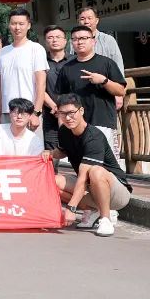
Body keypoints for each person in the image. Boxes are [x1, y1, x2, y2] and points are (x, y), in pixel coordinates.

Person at [45, 93, 132, 237]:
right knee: (52, 181)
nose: (68, 118)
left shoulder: (93, 136)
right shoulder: (64, 131)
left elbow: (83, 178)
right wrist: (50, 153)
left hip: (117, 193)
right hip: (91, 188)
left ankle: (105, 219)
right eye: (62, 113)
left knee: (96, 171)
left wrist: (71, 208)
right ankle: (92, 210)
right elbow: (63, 151)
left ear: (81, 111)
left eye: (71, 113)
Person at [57, 25, 126, 154]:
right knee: (82, 161)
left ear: (93, 41)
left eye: (84, 38)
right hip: (77, 124)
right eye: (75, 39)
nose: (79, 42)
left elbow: (120, 91)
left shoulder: (107, 63)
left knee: (107, 161)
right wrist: (63, 125)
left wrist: (104, 81)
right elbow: (62, 99)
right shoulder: (66, 68)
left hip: (103, 121)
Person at [0, 8, 47, 131]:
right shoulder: (3, 52)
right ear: (9, 25)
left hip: (28, 112)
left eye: (21, 24)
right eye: (13, 23)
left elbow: (41, 84)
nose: (17, 27)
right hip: (7, 112)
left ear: (28, 25)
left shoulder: (36, 49)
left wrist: (36, 113)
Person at [41, 26, 71, 151]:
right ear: (45, 41)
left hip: (73, 114)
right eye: (50, 37)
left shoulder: (74, 61)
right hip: (50, 114)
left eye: (58, 37)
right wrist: (54, 106)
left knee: (77, 151)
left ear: (65, 40)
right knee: (52, 154)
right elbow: (38, 87)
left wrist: (65, 109)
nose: (54, 40)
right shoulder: (40, 61)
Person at [78, 7, 125, 74]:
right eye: (82, 19)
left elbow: (118, 65)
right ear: (78, 21)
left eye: (89, 18)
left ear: (96, 21)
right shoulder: (73, 42)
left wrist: (119, 79)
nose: (86, 22)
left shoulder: (108, 40)